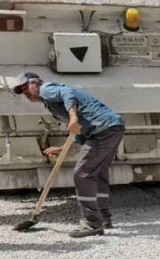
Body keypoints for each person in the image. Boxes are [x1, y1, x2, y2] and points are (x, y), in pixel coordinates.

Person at [12, 72, 125, 237]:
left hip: (101, 129)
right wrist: (62, 148)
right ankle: (103, 219)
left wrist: (72, 117)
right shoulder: (50, 103)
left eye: (25, 87)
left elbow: (68, 93)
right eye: (21, 91)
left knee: (82, 174)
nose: (25, 93)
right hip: (111, 127)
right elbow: (78, 132)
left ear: (35, 83)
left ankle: (92, 223)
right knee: (98, 173)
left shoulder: (46, 89)